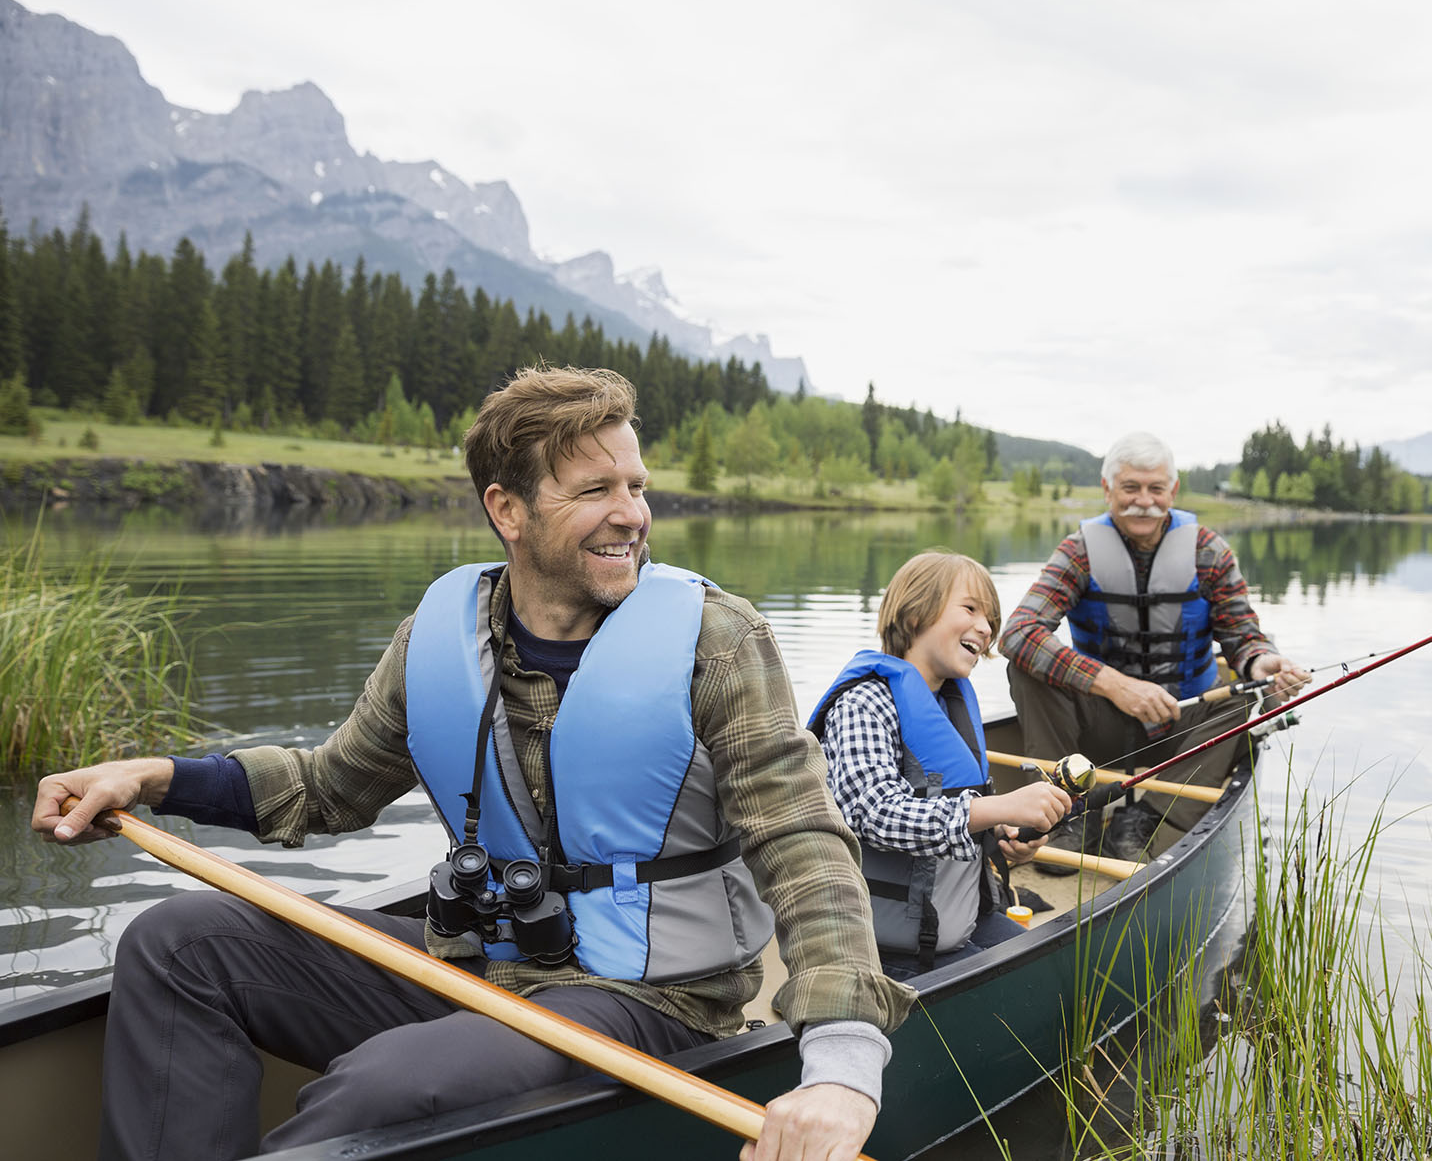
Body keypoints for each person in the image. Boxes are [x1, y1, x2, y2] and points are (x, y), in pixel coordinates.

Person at [33, 365, 915, 1161]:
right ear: (508, 510)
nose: (632, 514)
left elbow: (803, 843)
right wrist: (155, 779)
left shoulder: (716, 641)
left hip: (650, 1001)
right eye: (595, 489)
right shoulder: (441, 635)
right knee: (177, 943)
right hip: (476, 962)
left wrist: (841, 1060)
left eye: (636, 487)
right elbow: (326, 790)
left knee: (380, 1087)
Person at [998, 431, 1310, 867]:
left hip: (1185, 727)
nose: (1142, 500)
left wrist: (1263, 662)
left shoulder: (1209, 552)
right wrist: (1114, 685)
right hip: (1099, 729)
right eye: (1130, 488)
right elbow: (1017, 632)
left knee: (1249, 696)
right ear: (1107, 490)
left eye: (1154, 488)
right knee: (1027, 665)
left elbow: (1244, 638)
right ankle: (1066, 809)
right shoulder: (1079, 551)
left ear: (1172, 492)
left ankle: (1148, 816)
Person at [807, 550, 1072, 980]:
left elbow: (958, 808)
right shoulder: (864, 703)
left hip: (957, 919)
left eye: (990, 619)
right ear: (915, 615)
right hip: (879, 947)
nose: (985, 628)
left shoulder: (950, 706)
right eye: (970, 609)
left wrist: (1004, 834)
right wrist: (999, 808)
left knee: (1061, 972)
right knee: (1035, 988)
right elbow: (873, 813)